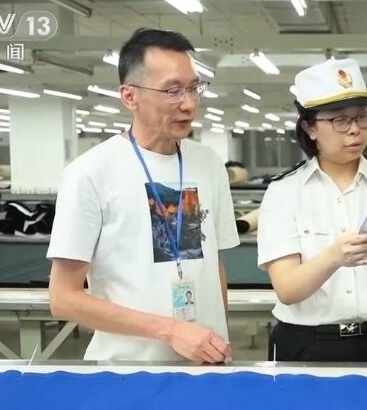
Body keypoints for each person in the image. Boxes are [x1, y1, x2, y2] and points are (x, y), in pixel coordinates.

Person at [46, 28, 239, 364]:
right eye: (172, 91)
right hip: (128, 371)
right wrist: (170, 330)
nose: (189, 103)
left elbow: (213, 267)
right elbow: (63, 298)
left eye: (194, 88)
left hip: (207, 365)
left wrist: (217, 337)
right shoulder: (90, 173)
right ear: (130, 96)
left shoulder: (208, 164)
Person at [256, 58, 367, 362]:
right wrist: (335, 257)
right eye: (340, 120)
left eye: (362, 118)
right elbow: (287, 290)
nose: (355, 131)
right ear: (310, 127)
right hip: (304, 344)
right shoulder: (284, 191)